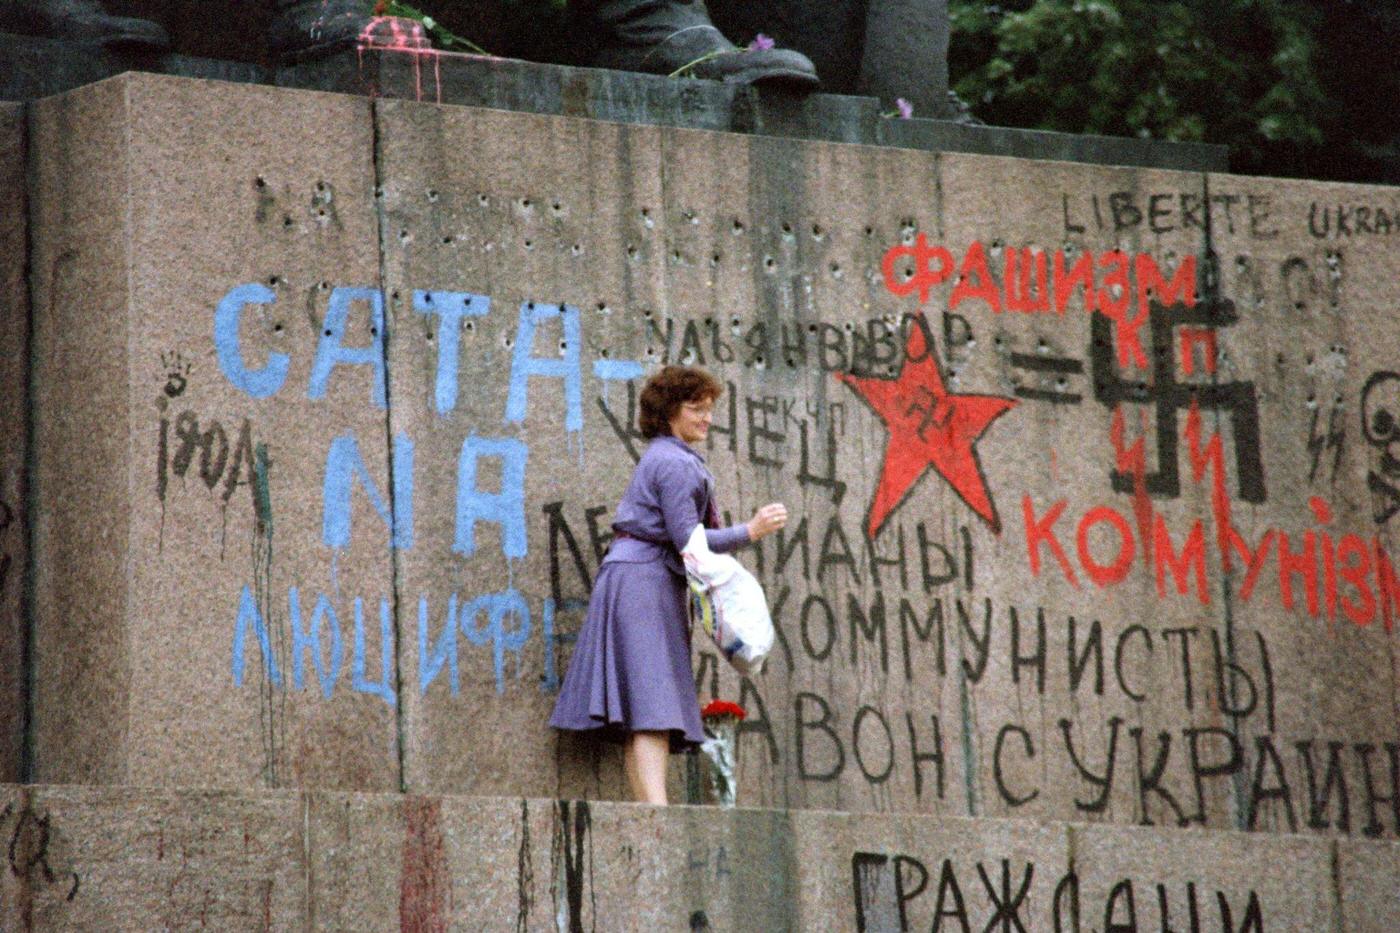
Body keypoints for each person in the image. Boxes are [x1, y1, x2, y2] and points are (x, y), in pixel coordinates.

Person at [549, 365, 787, 804]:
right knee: (652, 706)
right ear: (669, 413)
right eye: (696, 409)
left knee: (643, 706)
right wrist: (749, 531)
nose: (706, 418)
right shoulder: (674, 463)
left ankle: (650, 813)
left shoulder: (665, 457)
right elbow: (689, 542)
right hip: (644, 580)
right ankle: (658, 816)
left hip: (637, 577)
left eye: (709, 409)